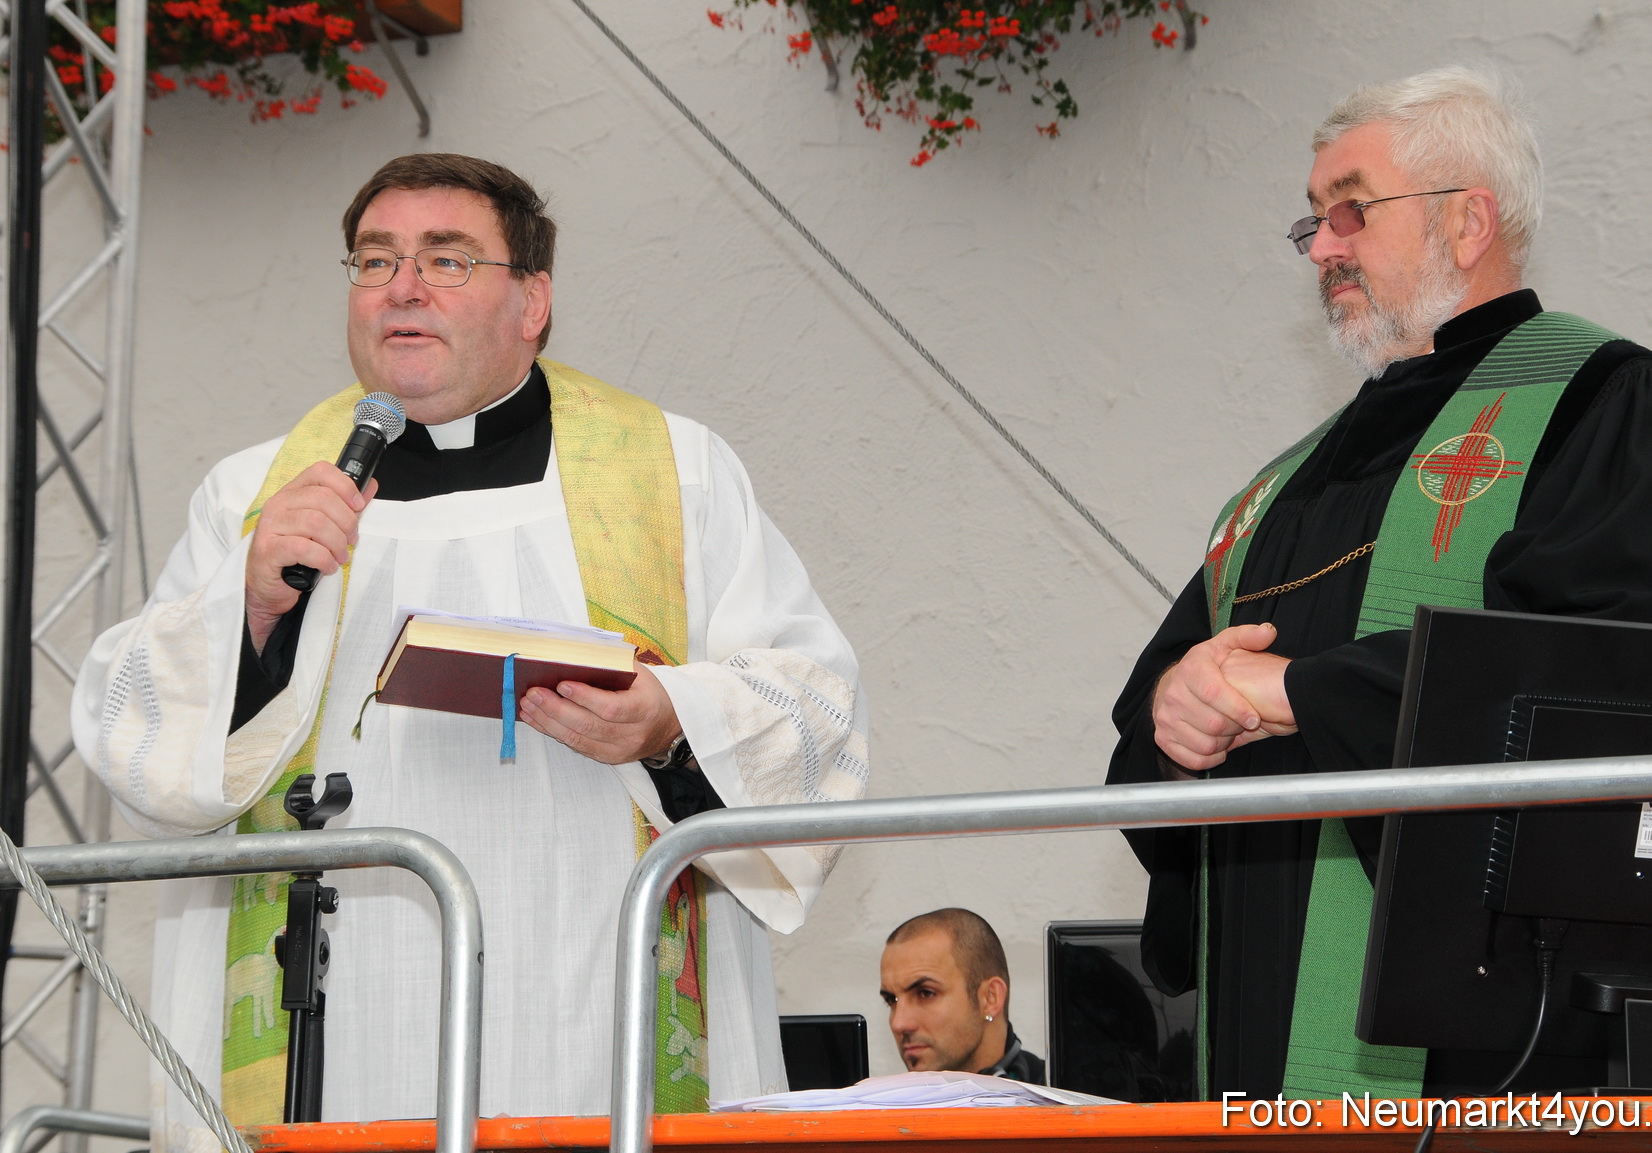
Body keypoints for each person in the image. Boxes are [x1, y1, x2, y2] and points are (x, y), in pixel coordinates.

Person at [72, 154, 869, 1147]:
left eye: (446, 260)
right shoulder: (259, 492)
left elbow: (815, 704)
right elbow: (133, 730)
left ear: (532, 300)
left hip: (589, 990)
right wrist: (250, 606)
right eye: (374, 261)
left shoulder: (675, 473)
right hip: (335, 1012)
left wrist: (671, 719)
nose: (401, 286)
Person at [1106, 68, 1652, 1103]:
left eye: (1350, 208)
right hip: (1254, 1037)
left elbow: (1596, 682)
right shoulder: (1279, 490)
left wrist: (1298, 693)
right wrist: (1176, 716)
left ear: (1468, 219)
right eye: (1310, 223)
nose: (1322, 247)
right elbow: (1155, 718)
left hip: (1493, 1049)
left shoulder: (1602, 404)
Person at [878, 908, 1045, 1083]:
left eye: (925, 994)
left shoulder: (1067, 1101)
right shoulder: (873, 1106)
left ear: (990, 998)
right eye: (891, 1000)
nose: (899, 1023)